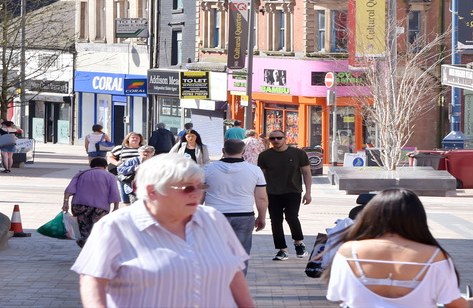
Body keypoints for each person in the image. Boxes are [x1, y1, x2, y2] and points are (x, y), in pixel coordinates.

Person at [72, 153, 255, 308]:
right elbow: (92, 281)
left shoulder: (213, 219)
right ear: (153, 191)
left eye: (201, 187)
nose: (197, 194)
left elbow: (235, 272)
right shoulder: (115, 226)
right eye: (187, 188)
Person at [325, 188, 473, 308]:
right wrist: (470, 304)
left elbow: (338, 297)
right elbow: (453, 303)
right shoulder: (434, 256)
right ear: (417, 218)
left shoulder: (348, 251)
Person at [204, 139, 269, 274]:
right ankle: (237, 287)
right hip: (244, 215)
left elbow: (198, 195)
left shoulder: (207, 169)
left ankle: (216, 284)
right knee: (241, 253)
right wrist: (262, 217)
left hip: (214, 215)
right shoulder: (255, 171)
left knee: (214, 251)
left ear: (223, 151)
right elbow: (261, 197)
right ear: (243, 151)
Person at [258, 128, 312, 260]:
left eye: (279, 138)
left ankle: (298, 243)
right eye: (272, 138)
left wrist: (308, 193)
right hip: (272, 193)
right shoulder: (264, 156)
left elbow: (306, 172)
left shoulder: (298, 153)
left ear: (285, 139)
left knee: (292, 217)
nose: (275, 140)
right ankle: (282, 249)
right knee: (275, 221)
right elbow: (261, 176)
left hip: (293, 191)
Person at [64, 157, 122, 248]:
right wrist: (116, 207)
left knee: (83, 228)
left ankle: (85, 243)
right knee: (97, 228)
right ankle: (93, 247)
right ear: (105, 166)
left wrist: (65, 203)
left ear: (91, 165)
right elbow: (114, 193)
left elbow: (69, 190)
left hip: (80, 205)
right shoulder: (110, 176)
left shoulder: (81, 174)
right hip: (100, 207)